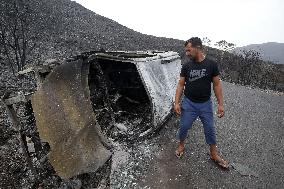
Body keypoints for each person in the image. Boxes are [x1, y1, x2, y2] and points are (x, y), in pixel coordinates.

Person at [174, 37, 229, 169]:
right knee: (184, 126)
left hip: (205, 104)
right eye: (186, 51)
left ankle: (214, 154)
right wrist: (176, 102)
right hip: (189, 103)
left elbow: (217, 85)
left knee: (210, 129)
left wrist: (220, 104)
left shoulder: (211, 64)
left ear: (197, 48)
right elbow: (181, 84)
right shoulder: (186, 66)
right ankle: (181, 145)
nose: (186, 53)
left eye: (188, 50)